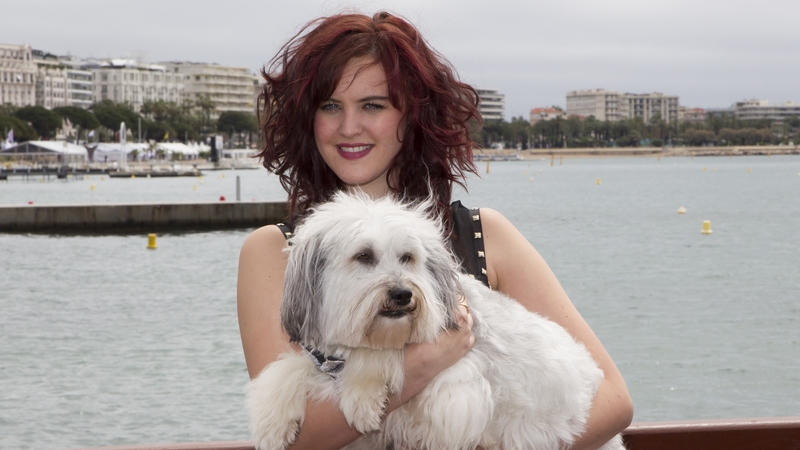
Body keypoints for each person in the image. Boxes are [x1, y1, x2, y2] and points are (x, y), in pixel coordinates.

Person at [237, 11, 633, 450]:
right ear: (306, 119)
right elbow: (290, 443)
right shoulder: (274, 251)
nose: (349, 127)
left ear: (413, 116)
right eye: (329, 106)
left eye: (373, 105)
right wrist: (423, 364)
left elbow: (613, 401)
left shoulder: (486, 235)